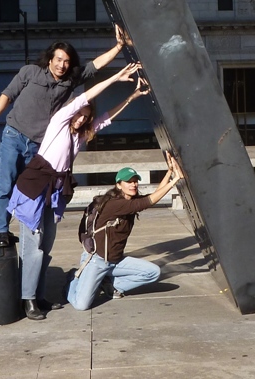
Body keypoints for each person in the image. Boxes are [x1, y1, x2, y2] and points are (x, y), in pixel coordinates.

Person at [8, 63, 151, 320]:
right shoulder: (59, 123)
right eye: (80, 114)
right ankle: (27, 300)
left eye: (86, 116)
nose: (83, 118)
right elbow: (86, 96)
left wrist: (132, 96)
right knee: (33, 247)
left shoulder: (78, 136)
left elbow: (107, 117)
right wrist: (117, 77)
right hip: (34, 189)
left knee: (46, 246)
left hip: (53, 192)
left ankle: (38, 296)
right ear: (71, 112)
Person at [0, 26, 126, 248]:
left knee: (27, 187)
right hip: (14, 135)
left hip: (38, 145)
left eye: (67, 61)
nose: (62, 65)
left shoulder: (70, 81)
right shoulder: (30, 72)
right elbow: (7, 94)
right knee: (6, 182)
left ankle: (13, 227)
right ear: (50, 59)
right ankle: (0, 229)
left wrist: (119, 46)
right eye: (58, 59)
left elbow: (96, 65)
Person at [66, 152, 184, 311]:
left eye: (135, 181)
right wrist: (176, 180)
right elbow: (149, 201)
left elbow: (152, 195)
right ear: (118, 184)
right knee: (81, 305)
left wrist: (170, 172)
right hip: (97, 261)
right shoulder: (115, 204)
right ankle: (73, 279)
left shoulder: (130, 200)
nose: (133, 185)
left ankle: (109, 285)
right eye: (129, 182)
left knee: (152, 273)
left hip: (115, 261)